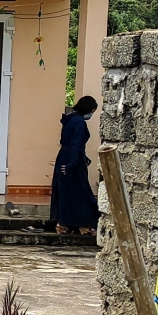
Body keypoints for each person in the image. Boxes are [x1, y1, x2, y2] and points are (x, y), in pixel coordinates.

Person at [52, 96, 99, 236]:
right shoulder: (79, 123)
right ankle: (85, 224)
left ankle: (64, 223)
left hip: (64, 157)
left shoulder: (70, 119)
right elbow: (76, 143)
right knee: (81, 192)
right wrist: (73, 162)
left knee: (66, 192)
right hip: (73, 159)